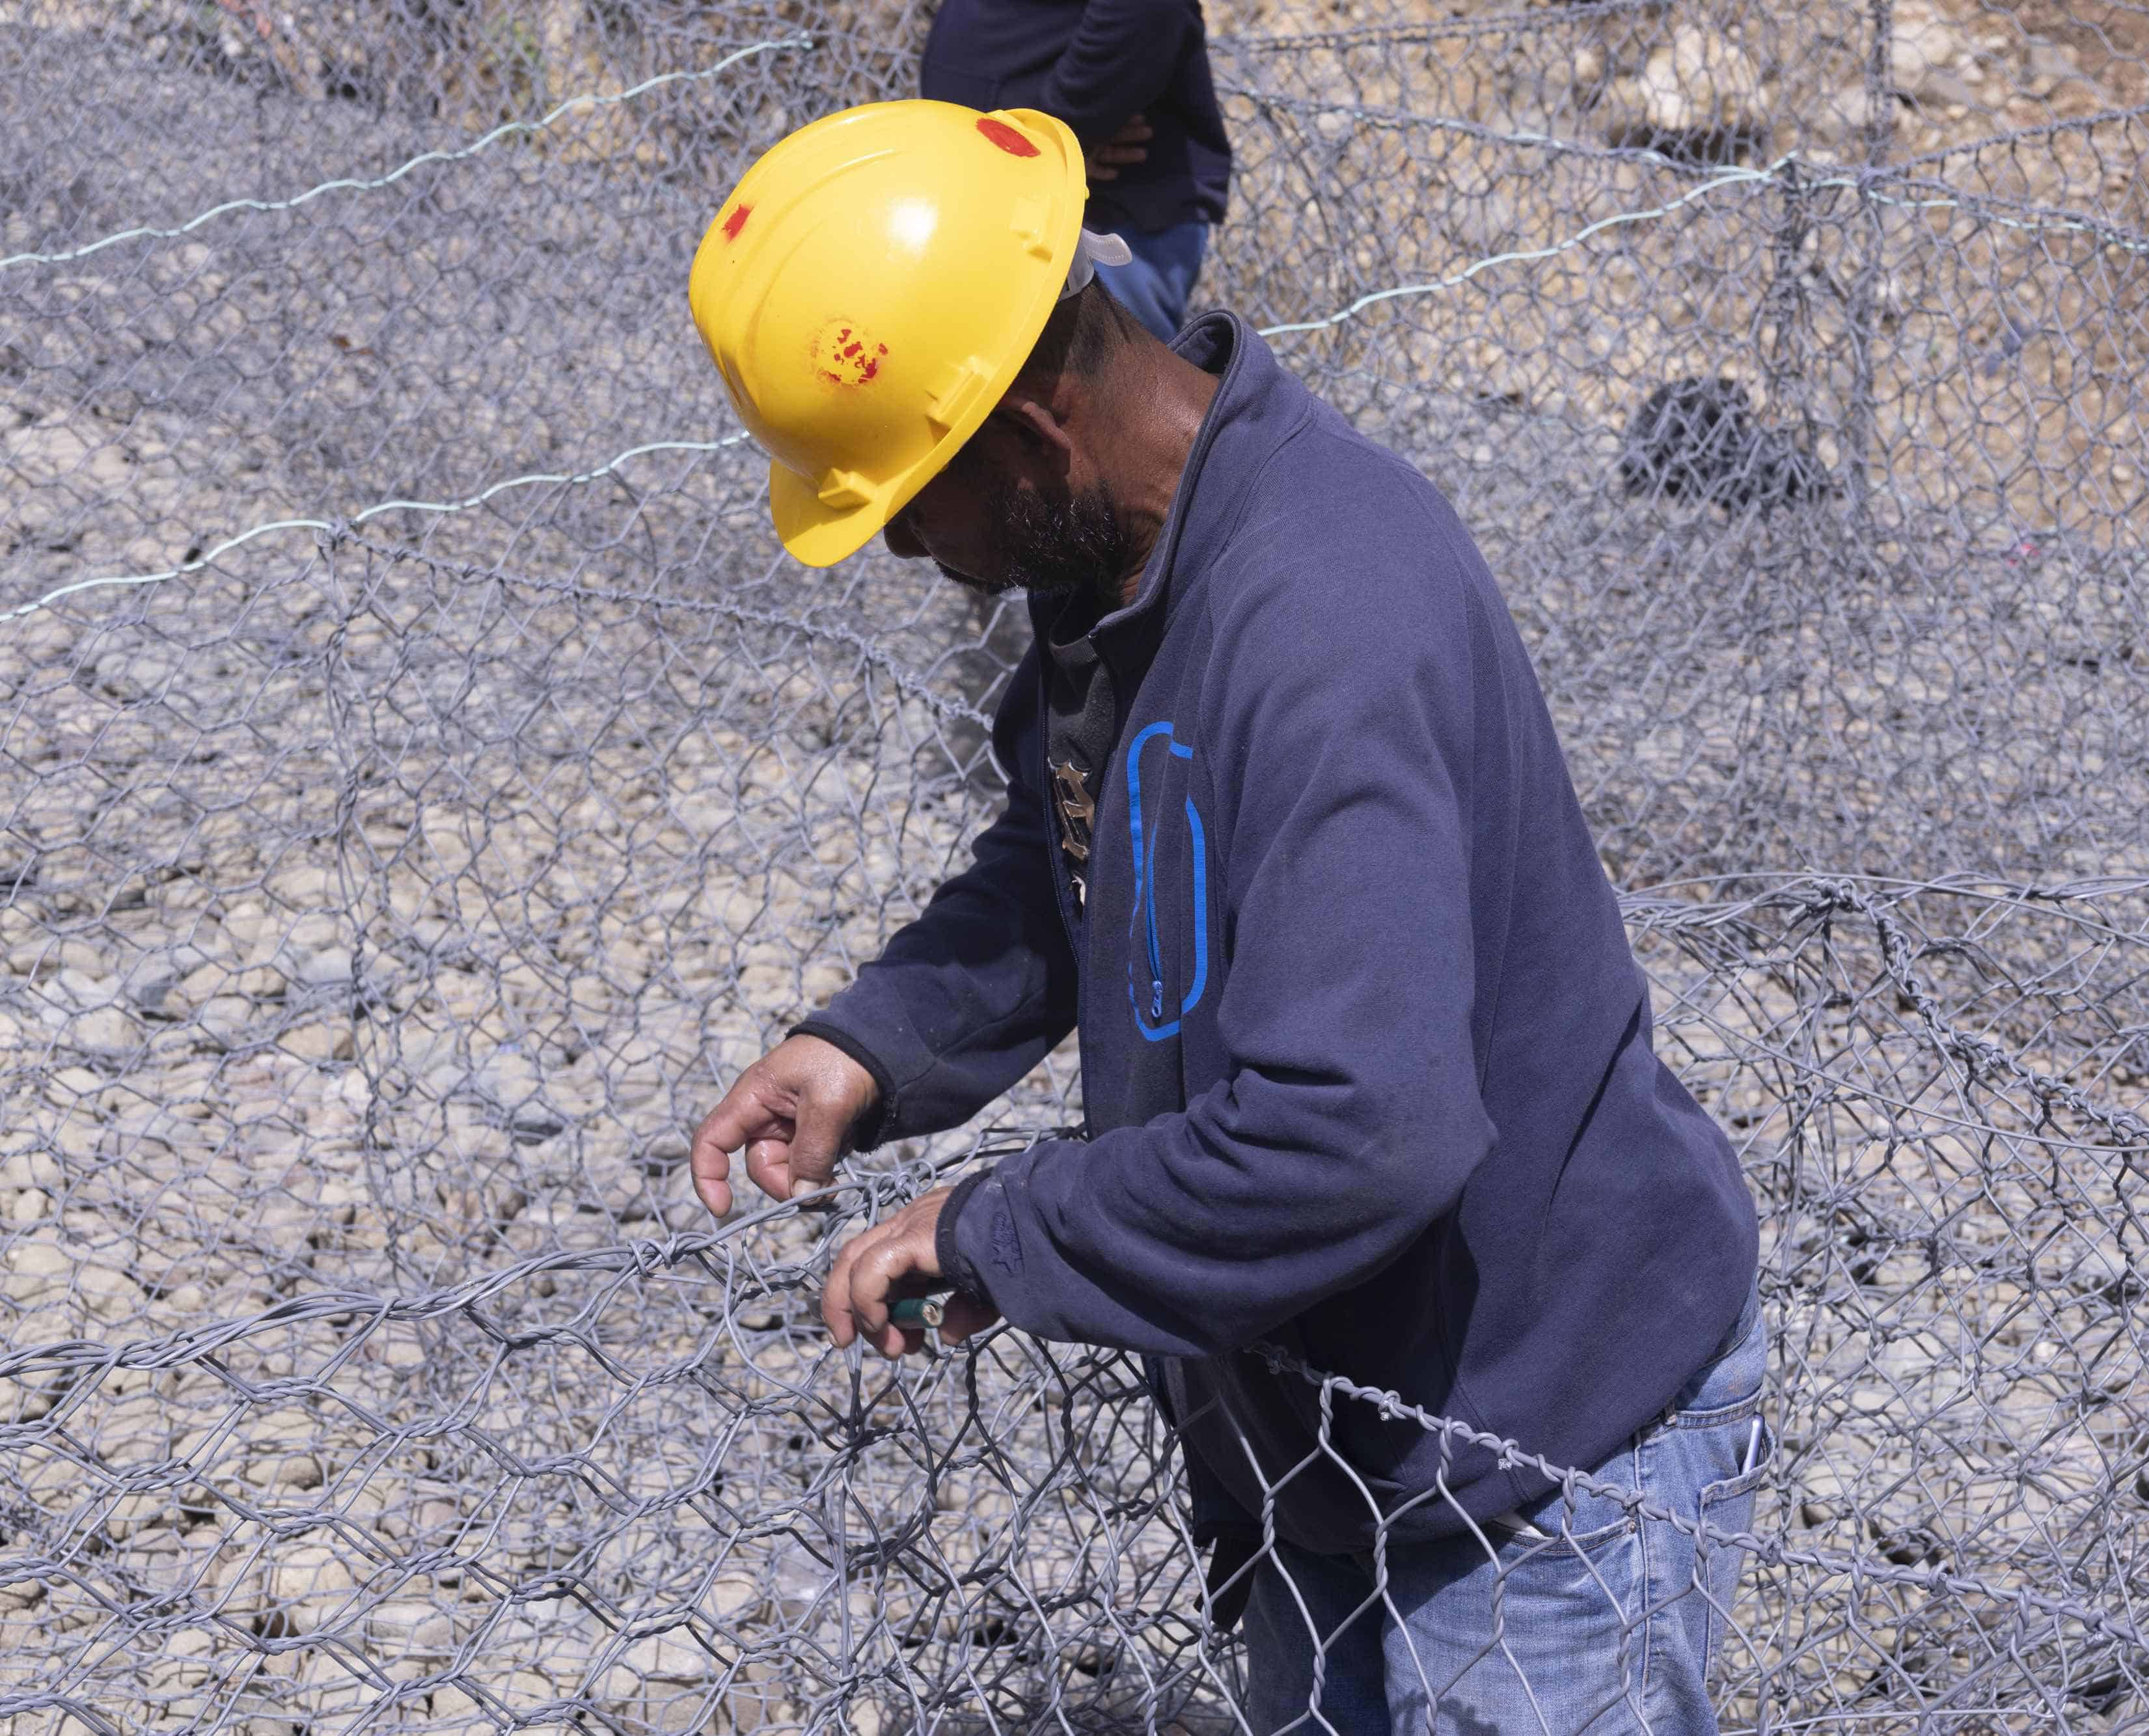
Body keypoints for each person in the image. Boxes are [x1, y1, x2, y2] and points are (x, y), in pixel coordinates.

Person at [684, 101, 1766, 1735]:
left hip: (1542, 1446)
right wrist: (872, 1045)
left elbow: (1360, 1131)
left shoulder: (1323, 619)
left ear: (1033, 437)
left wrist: (1003, 1225)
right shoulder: (1113, 572)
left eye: (909, 499)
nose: (907, 546)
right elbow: (1091, 856)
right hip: (1336, 1426)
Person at [920, 0, 1231, 342]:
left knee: (1093, 386)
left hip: (1095, 217)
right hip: (998, 190)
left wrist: (1055, 137)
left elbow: (1149, 10)